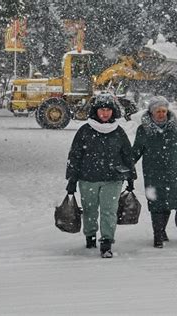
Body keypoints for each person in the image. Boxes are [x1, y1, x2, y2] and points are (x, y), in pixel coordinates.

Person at [65, 93, 136, 258]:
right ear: (95, 111)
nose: (105, 113)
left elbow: (127, 155)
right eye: (102, 110)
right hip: (88, 178)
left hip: (113, 179)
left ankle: (107, 242)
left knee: (109, 211)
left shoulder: (118, 132)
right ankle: (90, 235)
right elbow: (74, 156)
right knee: (89, 210)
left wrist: (131, 177)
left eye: (108, 110)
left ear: (113, 111)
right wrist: (72, 179)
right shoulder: (84, 131)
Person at [132, 96, 177, 248]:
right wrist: (127, 164)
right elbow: (137, 150)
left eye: (164, 111)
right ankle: (157, 234)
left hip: (173, 171)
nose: (161, 114)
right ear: (151, 112)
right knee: (155, 203)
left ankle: (162, 229)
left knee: (169, 202)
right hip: (152, 173)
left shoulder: (175, 128)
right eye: (158, 111)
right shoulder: (143, 130)